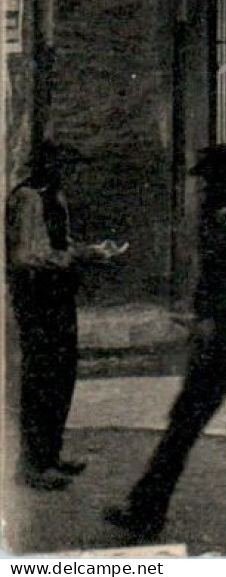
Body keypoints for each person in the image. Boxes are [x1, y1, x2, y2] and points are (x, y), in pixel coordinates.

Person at [108, 145, 226, 542]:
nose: (206, 186)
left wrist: (215, 322)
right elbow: (212, 278)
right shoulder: (216, 215)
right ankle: (146, 510)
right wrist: (203, 315)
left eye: (214, 179)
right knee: (184, 424)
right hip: (221, 343)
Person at [7, 142, 119, 490]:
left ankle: (51, 454)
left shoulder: (55, 197)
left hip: (58, 297)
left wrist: (86, 251)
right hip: (37, 298)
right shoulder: (27, 198)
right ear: (45, 166)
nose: (70, 173)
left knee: (61, 375)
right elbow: (26, 256)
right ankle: (33, 465)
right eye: (64, 166)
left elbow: (60, 244)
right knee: (41, 378)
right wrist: (79, 257)